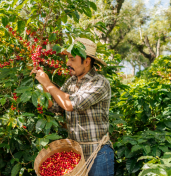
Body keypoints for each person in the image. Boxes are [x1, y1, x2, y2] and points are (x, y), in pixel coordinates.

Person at [30, 38, 114, 176]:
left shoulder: (99, 83)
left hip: (98, 152)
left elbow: (71, 105)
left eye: (72, 59)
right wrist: (45, 85)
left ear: (86, 61)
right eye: (68, 58)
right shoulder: (70, 82)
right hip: (75, 153)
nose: (68, 63)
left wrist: (49, 83)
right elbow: (56, 107)